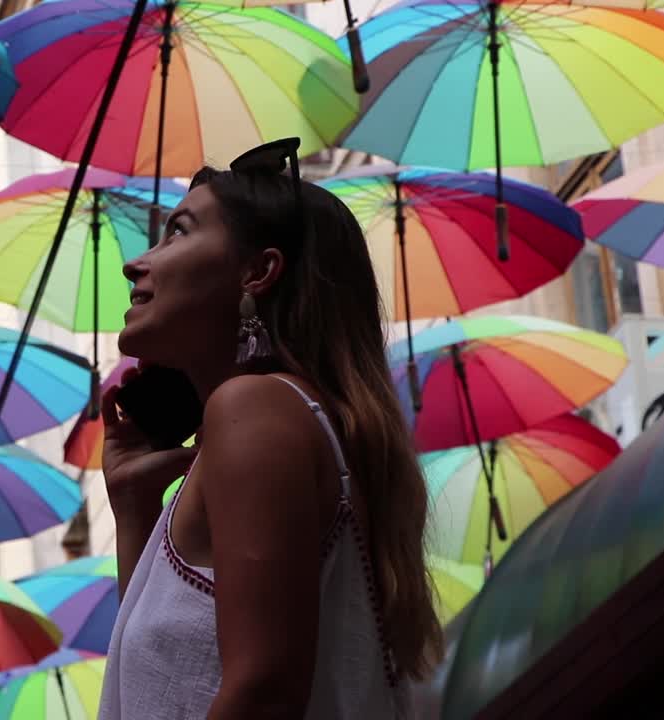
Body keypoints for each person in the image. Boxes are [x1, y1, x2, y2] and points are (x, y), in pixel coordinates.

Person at [97, 139, 441, 719]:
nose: (138, 261)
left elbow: (263, 694)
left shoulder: (254, 409)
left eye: (179, 231)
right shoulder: (252, 422)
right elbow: (156, 685)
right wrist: (134, 507)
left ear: (258, 271)